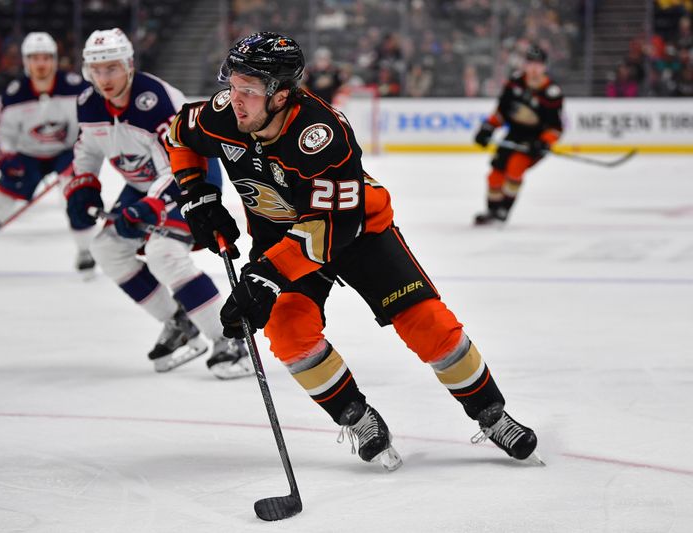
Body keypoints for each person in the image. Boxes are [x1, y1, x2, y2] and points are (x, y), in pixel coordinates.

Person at [164, 32, 539, 470]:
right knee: (287, 333)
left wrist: (267, 275)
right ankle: (356, 417)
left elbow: (332, 227)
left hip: (357, 231)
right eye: (234, 85)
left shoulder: (322, 135)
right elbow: (176, 137)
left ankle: (491, 413)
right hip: (282, 238)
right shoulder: (224, 113)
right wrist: (198, 196)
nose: (236, 98)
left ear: (281, 95)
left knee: (427, 323)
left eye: (249, 90)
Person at [64, 28, 251, 379]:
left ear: (129, 65)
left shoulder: (157, 100)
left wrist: (154, 204)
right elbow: (86, 149)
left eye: (112, 68)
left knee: (164, 253)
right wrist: (82, 185)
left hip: (189, 178)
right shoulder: (88, 103)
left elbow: (175, 161)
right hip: (143, 186)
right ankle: (178, 322)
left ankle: (229, 341)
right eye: (97, 70)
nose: (104, 78)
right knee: (107, 248)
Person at [0, 32, 95, 275]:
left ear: (55, 60)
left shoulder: (76, 87)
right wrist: (7, 158)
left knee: (76, 195)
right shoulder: (14, 95)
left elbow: (93, 121)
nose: (41, 64)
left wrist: (84, 148)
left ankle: (86, 251)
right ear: (25, 62)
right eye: (34, 58)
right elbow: (3, 134)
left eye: (46, 57)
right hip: (27, 155)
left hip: (67, 151)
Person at [472, 44, 564, 225]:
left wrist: (544, 143)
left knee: (514, 170)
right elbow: (501, 113)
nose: (534, 69)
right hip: (513, 136)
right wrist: (487, 128)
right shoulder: (514, 83)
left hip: (534, 141)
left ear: (545, 67)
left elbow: (555, 128)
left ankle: (503, 211)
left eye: (538, 64)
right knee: (494, 176)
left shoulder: (551, 93)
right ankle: (493, 210)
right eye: (530, 63)